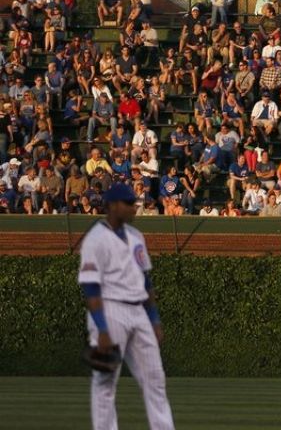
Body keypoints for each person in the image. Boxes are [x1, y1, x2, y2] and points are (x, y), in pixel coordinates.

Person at [78, 182, 175, 429]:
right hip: (110, 310)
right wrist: (101, 328)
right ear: (112, 205)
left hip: (138, 310)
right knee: (105, 382)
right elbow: (91, 287)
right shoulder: (95, 239)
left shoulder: (136, 236)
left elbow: (146, 280)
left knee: (155, 378)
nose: (134, 208)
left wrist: (154, 319)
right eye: (129, 203)